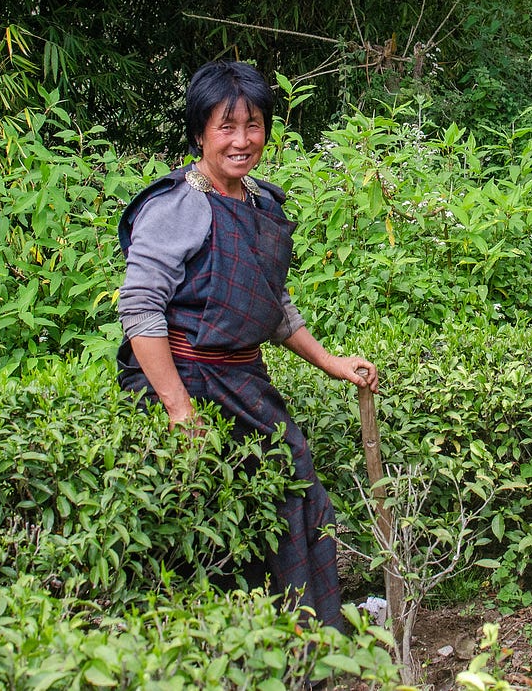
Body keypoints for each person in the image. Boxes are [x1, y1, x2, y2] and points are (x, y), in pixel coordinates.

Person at [116, 60, 377, 632]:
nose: (241, 141)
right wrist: (179, 410)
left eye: (253, 125)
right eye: (225, 127)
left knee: (300, 496)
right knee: (229, 522)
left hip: (243, 380)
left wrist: (332, 362)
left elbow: (271, 305)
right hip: (189, 380)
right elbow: (140, 311)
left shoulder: (260, 202)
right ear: (199, 133)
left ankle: (305, 644)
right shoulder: (174, 207)